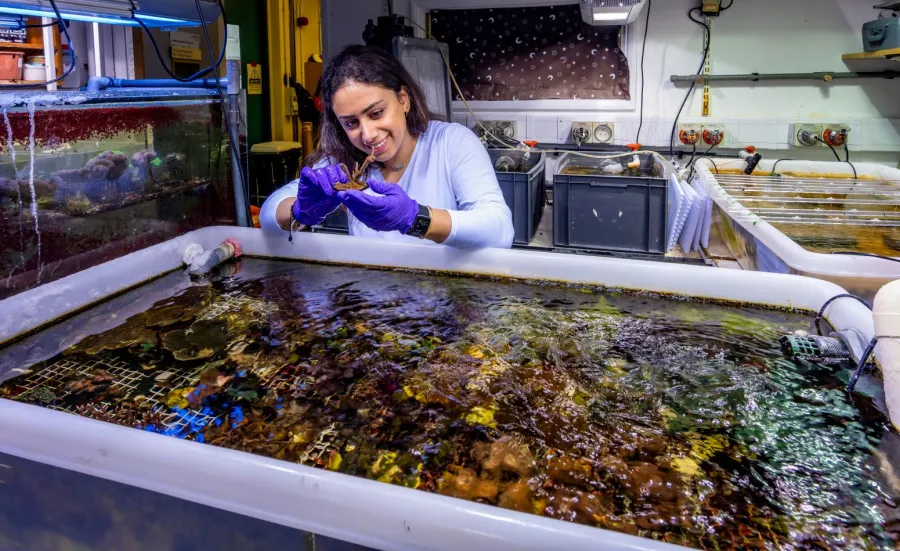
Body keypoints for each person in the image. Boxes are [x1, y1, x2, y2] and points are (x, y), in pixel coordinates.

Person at [260, 45, 514, 248]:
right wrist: (300, 211)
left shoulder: (451, 143)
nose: (368, 134)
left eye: (377, 113)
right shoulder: (345, 162)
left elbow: (499, 230)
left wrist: (417, 218)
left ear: (403, 99)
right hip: (375, 305)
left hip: (445, 300)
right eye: (351, 123)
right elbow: (268, 216)